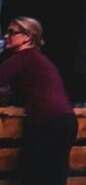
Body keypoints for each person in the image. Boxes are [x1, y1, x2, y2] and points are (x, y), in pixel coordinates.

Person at [0, 17, 76, 185]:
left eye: (12, 32)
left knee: (37, 177)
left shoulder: (23, 58)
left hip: (48, 123)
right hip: (65, 121)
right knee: (53, 177)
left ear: (27, 37)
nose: (6, 36)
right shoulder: (37, 59)